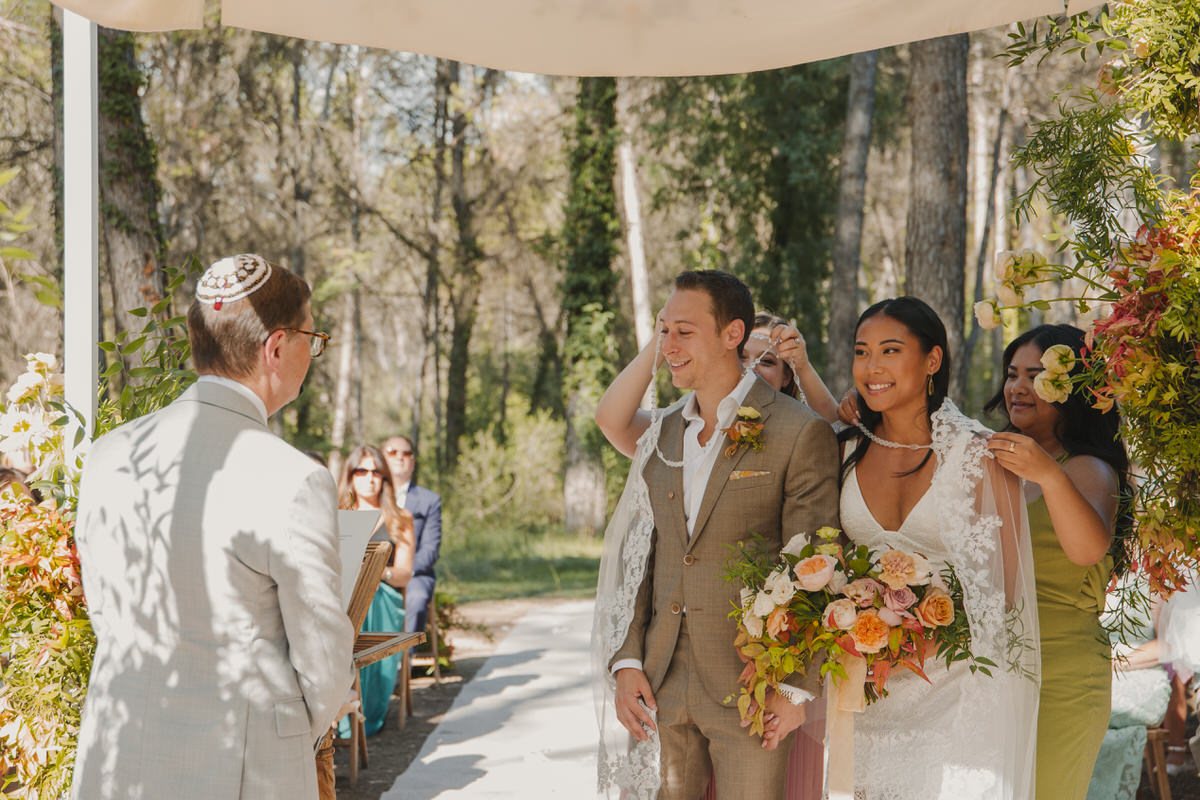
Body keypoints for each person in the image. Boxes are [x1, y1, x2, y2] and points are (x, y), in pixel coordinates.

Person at [71, 254, 354, 799]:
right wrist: (288, 729)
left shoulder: (108, 455)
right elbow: (322, 658)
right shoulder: (293, 477)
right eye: (312, 339)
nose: (312, 354)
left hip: (121, 755)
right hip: (244, 767)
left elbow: (105, 612)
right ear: (276, 347)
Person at [591, 270, 840, 800]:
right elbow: (643, 555)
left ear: (733, 334)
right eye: (664, 330)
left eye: (684, 331)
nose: (669, 345)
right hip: (659, 680)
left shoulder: (799, 431)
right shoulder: (661, 433)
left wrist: (796, 687)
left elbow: (815, 567)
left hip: (753, 683)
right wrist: (627, 661)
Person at [836, 297, 1039, 799]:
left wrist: (915, 641)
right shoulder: (843, 448)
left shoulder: (981, 455)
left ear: (932, 360)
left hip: (955, 688)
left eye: (890, 350)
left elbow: (1004, 593)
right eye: (861, 352)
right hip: (861, 688)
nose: (872, 367)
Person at [982, 323, 1129, 800]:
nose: (1018, 387)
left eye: (1036, 376)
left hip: (1062, 675)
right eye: (1012, 374)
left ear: (1075, 389)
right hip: (990, 667)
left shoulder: (1088, 468)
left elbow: (1086, 551)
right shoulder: (992, 459)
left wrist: (1048, 475)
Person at [336, 443, 416, 737]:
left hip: (381, 594)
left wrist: (377, 570)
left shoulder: (400, 518)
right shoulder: (337, 514)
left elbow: (404, 574)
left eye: (376, 472)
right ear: (350, 475)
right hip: (341, 591)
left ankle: (361, 710)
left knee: (369, 597)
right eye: (361, 471)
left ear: (384, 478)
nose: (369, 478)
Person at [381, 434, 442, 636]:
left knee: (416, 598)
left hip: (415, 573)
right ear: (381, 459)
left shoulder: (429, 500)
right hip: (375, 572)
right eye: (392, 452)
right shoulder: (370, 494)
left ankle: (404, 654)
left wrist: (404, 573)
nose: (400, 457)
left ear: (413, 462)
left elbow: (430, 549)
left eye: (406, 453)